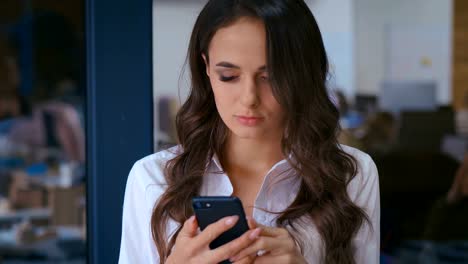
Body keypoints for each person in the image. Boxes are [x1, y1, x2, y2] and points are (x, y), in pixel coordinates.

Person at [119, 1, 380, 263]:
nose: (249, 98)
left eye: (270, 77)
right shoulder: (152, 180)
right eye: (228, 76)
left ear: (301, 74)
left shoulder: (351, 173)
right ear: (206, 67)